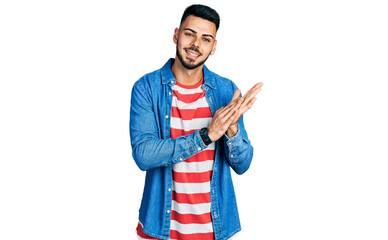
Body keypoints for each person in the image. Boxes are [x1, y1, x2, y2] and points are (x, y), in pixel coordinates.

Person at [130, 4, 263, 240]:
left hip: (214, 229)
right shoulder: (147, 88)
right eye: (189, 34)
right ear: (176, 35)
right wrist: (206, 136)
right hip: (160, 228)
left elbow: (243, 165)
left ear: (213, 47)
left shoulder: (226, 90)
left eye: (205, 39)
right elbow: (144, 154)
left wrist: (232, 132)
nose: (195, 44)